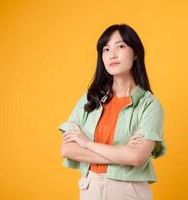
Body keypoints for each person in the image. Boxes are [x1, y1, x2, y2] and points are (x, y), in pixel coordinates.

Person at [59, 23, 166, 200]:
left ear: (136, 54)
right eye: (106, 49)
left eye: (121, 46)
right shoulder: (89, 99)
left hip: (129, 191)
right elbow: (67, 149)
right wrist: (122, 152)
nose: (112, 55)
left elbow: (136, 158)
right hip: (90, 188)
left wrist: (87, 144)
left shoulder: (150, 106)